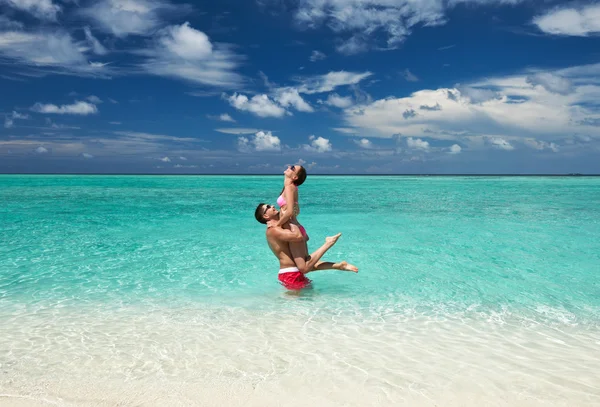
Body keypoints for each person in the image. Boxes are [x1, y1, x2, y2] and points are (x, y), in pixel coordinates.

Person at [255, 203, 358, 291]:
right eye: (268, 207)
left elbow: (305, 238)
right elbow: (298, 236)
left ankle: (339, 265)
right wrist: (290, 219)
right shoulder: (272, 230)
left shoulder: (280, 227)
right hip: (290, 273)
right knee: (299, 307)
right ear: (265, 216)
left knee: (302, 303)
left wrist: (291, 217)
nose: (272, 205)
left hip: (293, 272)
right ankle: (329, 245)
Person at [275, 164, 309, 260]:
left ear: (294, 177)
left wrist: (277, 225)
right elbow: (295, 210)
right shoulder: (289, 187)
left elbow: (289, 212)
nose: (289, 166)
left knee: (304, 266)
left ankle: (338, 265)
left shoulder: (290, 187)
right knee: (302, 264)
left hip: (293, 229)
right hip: (294, 227)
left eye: (292, 168)